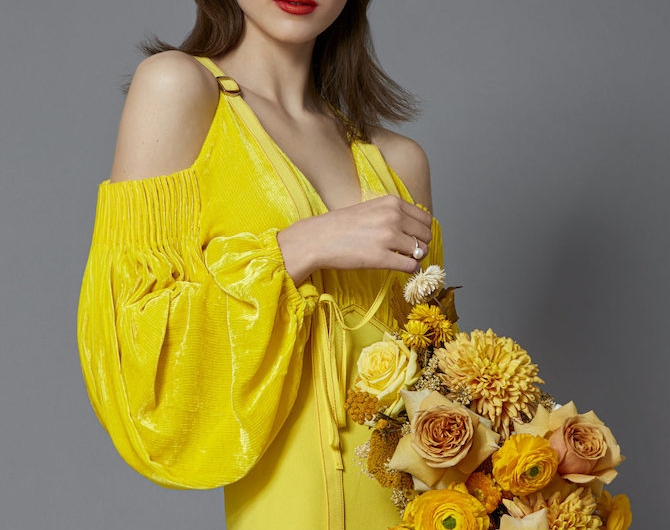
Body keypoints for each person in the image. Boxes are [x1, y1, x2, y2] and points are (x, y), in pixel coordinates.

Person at [77, 1, 444, 528]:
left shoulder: (400, 163)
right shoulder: (176, 87)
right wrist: (297, 248)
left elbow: (444, 389)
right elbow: (130, 345)